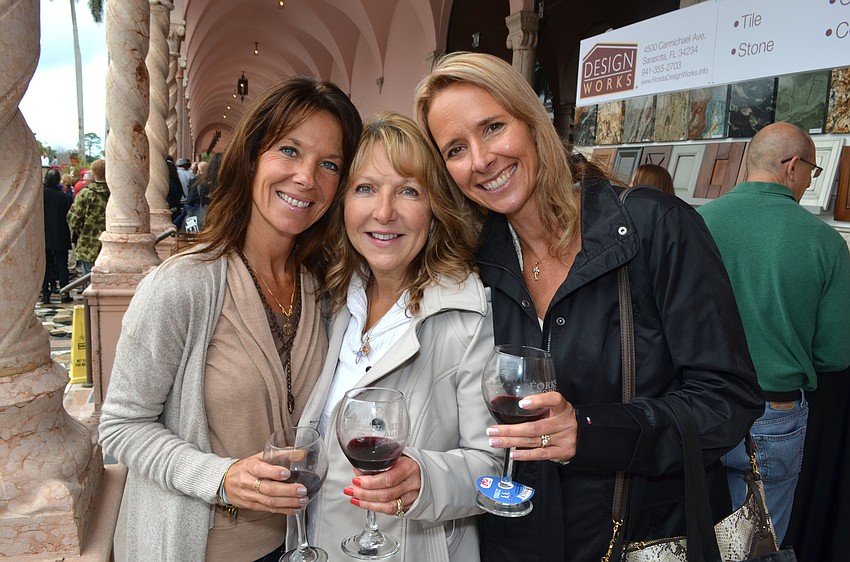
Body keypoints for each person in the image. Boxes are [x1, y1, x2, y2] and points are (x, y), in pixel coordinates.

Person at [414, 52, 763, 561]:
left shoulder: (654, 228)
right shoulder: (478, 265)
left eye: (493, 127)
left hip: (642, 540)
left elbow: (727, 400)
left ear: (532, 121)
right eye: (455, 149)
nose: (481, 160)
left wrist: (594, 431)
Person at [97, 77, 363, 562]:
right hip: (194, 549)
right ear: (251, 157)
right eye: (289, 150)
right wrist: (219, 477)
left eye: (330, 165)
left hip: (294, 545)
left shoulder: (323, 289)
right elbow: (121, 426)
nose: (307, 177)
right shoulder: (182, 286)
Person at [295, 112, 499, 561]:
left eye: (408, 191)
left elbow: (493, 470)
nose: (383, 212)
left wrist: (424, 478)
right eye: (365, 189)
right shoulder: (327, 300)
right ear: (343, 204)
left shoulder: (468, 315)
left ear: (436, 210)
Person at [697, 122, 850, 543]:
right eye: (814, 173)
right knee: (759, 547)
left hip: (699, 408)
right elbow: (834, 354)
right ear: (795, 167)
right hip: (775, 415)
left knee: (694, 536)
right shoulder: (825, 243)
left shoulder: (696, 222)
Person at [67, 159, 109, 285]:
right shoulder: (115, 194)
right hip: (110, 245)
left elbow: (73, 218)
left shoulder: (86, 194)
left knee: (88, 281)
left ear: (94, 174)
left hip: (88, 243)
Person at [42, 168, 73, 304]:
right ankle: (64, 294)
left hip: (44, 234)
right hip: (60, 233)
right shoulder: (64, 197)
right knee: (62, 265)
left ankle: (45, 294)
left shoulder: (40, 196)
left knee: (45, 265)